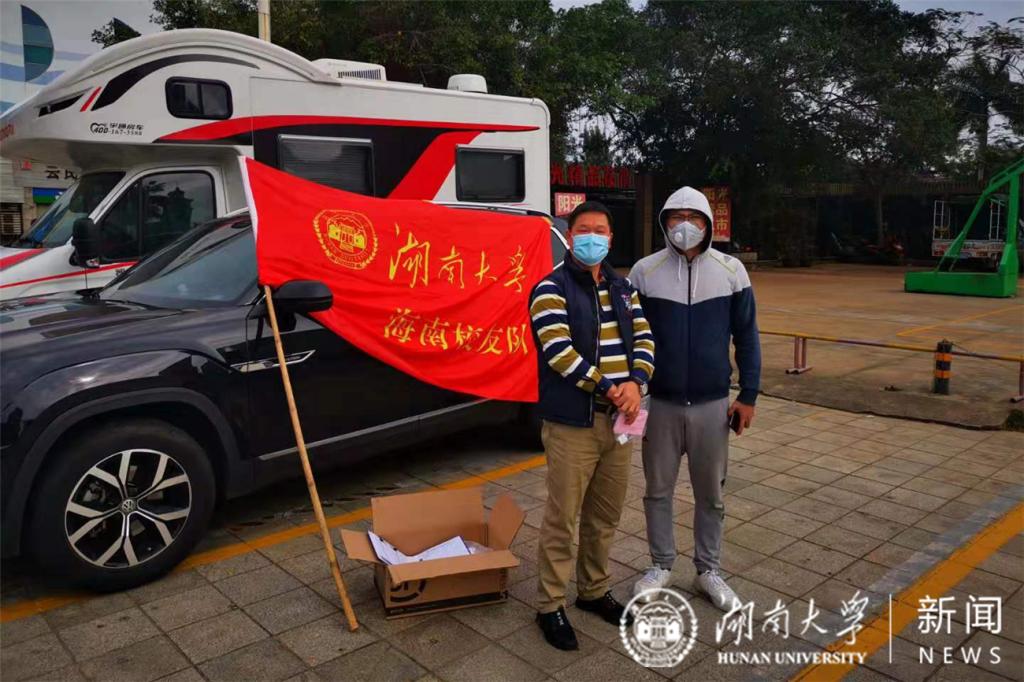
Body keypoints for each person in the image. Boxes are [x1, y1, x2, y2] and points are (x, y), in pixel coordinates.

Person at [528, 200, 656, 650]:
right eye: (584, 230)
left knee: (604, 515)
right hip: (573, 424)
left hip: (620, 423)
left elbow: (645, 338)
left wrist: (636, 383)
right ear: (569, 236)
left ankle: (593, 590)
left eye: (600, 231)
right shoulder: (550, 288)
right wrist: (609, 387)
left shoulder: (623, 289)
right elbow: (558, 351)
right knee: (562, 518)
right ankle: (549, 605)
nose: (592, 237)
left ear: (610, 238)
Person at [629, 186, 760, 611]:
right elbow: (630, 337)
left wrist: (749, 394)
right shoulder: (644, 272)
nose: (685, 225)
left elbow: (747, 337)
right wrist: (631, 390)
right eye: (676, 217)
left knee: (711, 494)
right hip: (660, 404)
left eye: (694, 218)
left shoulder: (731, 270)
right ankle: (660, 564)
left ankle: (709, 570)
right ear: (664, 221)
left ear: (708, 223)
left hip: (712, 405)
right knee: (657, 491)